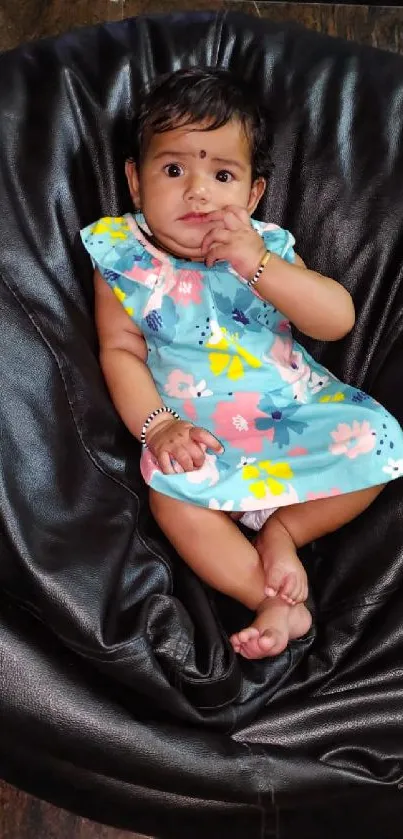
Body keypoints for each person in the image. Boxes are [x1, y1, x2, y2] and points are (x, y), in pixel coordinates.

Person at [81, 67, 403, 660]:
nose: (198, 192)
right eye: (173, 170)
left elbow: (336, 320)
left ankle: (285, 530)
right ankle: (273, 597)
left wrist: (258, 265)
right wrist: (158, 427)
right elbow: (120, 350)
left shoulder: (269, 247)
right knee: (172, 498)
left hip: (293, 413)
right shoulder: (122, 256)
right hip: (202, 439)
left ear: (252, 195)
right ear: (135, 180)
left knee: (384, 440)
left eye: (222, 174)